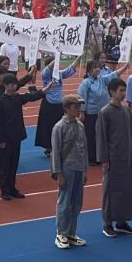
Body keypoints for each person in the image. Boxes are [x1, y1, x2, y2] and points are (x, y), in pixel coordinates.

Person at [0, 73, 52, 200]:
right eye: (11, 84)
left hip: (16, 136)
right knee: (5, 165)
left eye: (15, 84)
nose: (13, 86)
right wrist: (1, 140)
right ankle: (4, 190)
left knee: (14, 164)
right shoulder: (0, 102)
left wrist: (44, 90)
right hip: (5, 138)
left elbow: (30, 97)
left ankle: (12, 188)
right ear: (5, 85)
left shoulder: (17, 98)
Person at [96, 77, 132, 238]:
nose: (123, 93)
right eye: (121, 90)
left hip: (126, 157)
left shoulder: (126, 110)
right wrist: (104, 159)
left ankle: (122, 221)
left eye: (124, 90)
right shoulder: (105, 112)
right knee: (111, 191)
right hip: (113, 159)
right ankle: (107, 224)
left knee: (127, 190)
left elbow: (131, 134)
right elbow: (101, 137)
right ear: (112, 92)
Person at [77, 55, 128, 166]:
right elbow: (82, 98)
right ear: (89, 70)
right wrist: (82, 112)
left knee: (102, 135)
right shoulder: (86, 83)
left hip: (103, 112)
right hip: (91, 114)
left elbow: (113, 75)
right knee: (91, 136)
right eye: (94, 68)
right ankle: (91, 157)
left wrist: (125, 67)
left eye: (98, 67)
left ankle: (101, 156)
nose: (97, 69)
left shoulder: (101, 79)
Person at [51, 93, 87, 249]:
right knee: (64, 203)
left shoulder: (80, 126)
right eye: (75, 107)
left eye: (79, 106)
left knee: (76, 203)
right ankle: (61, 234)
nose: (78, 109)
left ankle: (71, 233)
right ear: (66, 109)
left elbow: (84, 149)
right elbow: (56, 152)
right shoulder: (59, 127)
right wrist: (58, 174)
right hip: (66, 169)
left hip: (79, 168)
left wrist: (85, 169)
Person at [35, 54, 82, 157]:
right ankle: (49, 148)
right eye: (56, 64)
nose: (57, 66)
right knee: (49, 126)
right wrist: (57, 57)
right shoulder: (45, 74)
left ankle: (59, 146)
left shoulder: (59, 74)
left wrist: (78, 58)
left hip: (60, 104)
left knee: (61, 126)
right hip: (49, 103)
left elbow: (70, 68)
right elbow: (49, 68)